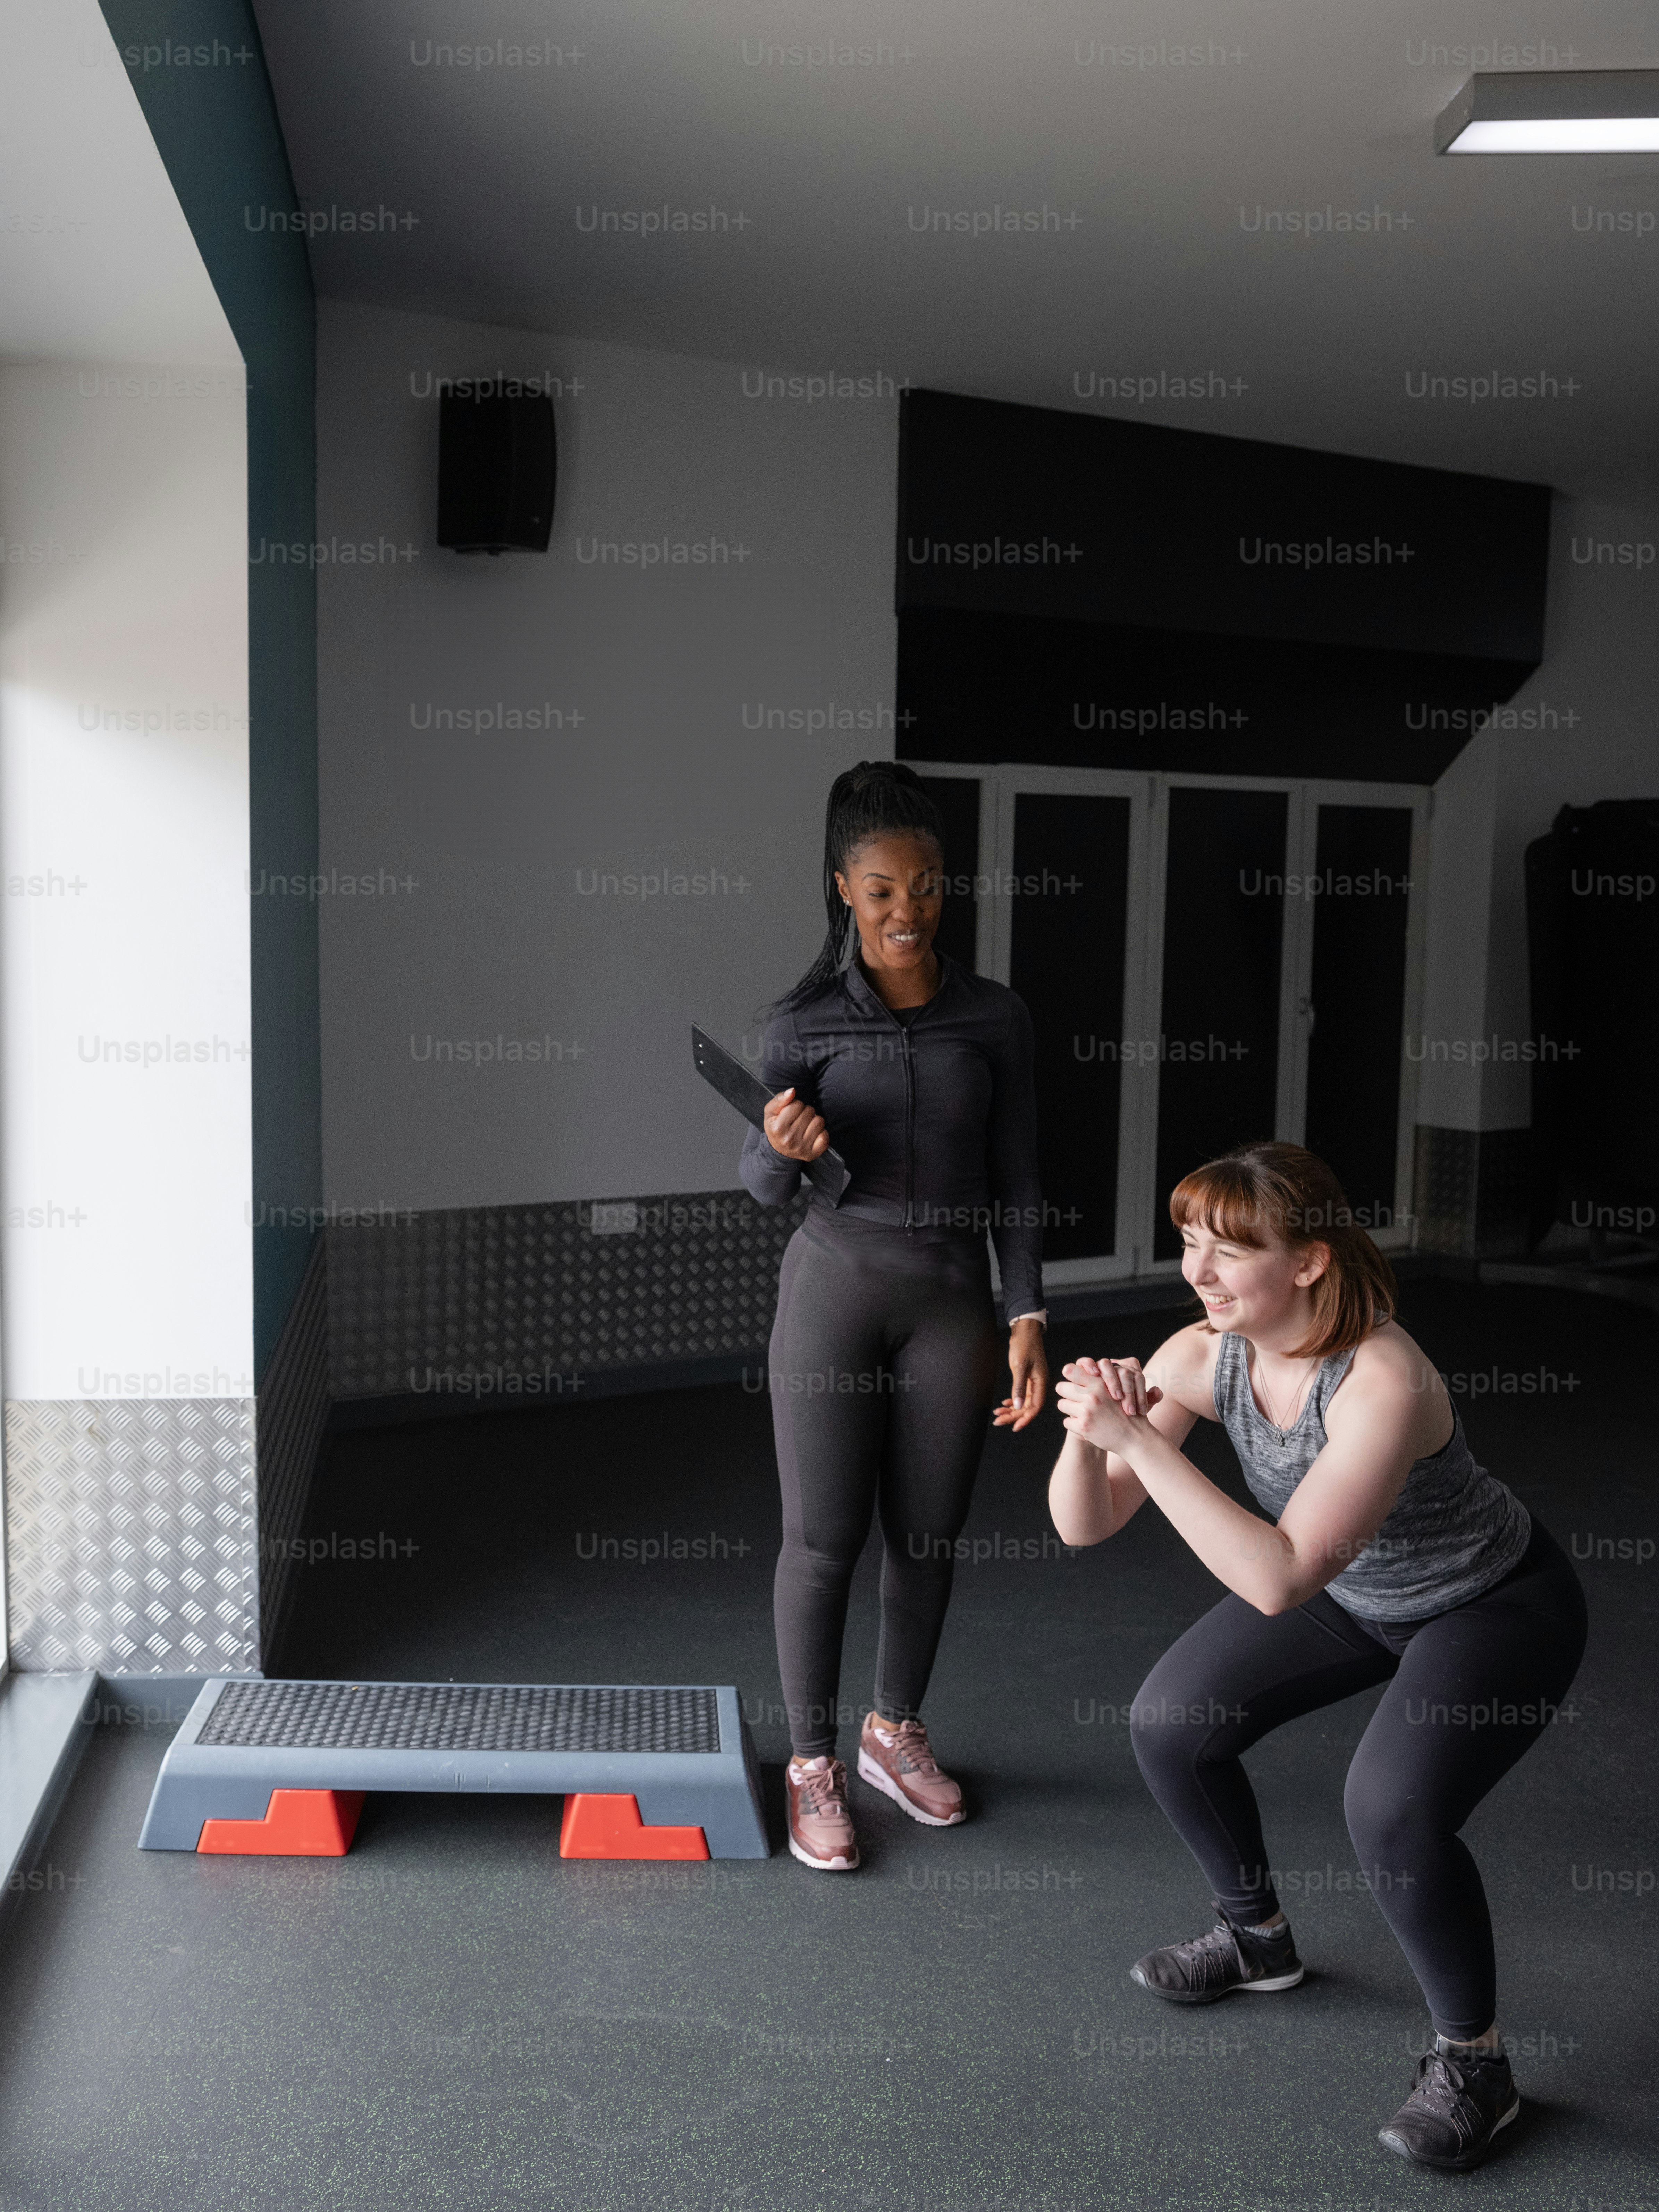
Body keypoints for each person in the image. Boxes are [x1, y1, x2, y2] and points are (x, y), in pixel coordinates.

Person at [1046, 1141, 1587, 2172]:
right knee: (1170, 1724)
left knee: (1389, 1811)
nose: (1195, 1273)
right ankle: (1255, 1938)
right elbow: (1083, 1526)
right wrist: (1090, 1434)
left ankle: (1474, 2065)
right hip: (1351, 1593)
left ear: (1307, 1261)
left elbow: (1277, 1577)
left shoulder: (1383, 1377)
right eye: (1188, 1245)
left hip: (1489, 1607)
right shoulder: (1205, 1352)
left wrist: (1144, 1443)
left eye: (1227, 1251)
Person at [741, 760, 1048, 1872]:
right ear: (842, 890)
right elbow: (760, 1181)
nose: (905, 912)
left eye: (923, 886)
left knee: (928, 1537)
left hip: (954, 1305)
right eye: (879, 891)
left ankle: (892, 1731)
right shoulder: (799, 1021)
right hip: (834, 1291)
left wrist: (1027, 1313)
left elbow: (1018, 1176)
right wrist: (780, 1152)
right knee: (823, 1544)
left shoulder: (995, 1017)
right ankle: (811, 1760)